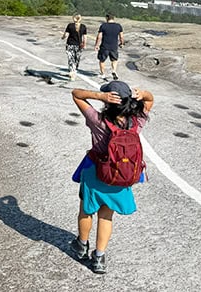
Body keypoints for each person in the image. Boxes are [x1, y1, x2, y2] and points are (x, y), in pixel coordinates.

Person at [70, 81, 154, 274]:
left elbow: (76, 94)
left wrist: (98, 96)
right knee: (106, 216)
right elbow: (150, 99)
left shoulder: (97, 119)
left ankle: (82, 245)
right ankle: (99, 258)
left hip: (96, 172)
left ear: (109, 101)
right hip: (120, 176)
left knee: (86, 210)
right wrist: (143, 94)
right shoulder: (137, 121)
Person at [94, 14, 124, 81]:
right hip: (114, 46)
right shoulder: (118, 26)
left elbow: (99, 36)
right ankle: (114, 71)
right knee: (114, 60)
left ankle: (103, 74)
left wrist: (97, 45)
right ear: (113, 18)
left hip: (104, 46)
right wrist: (122, 43)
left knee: (102, 60)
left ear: (107, 18)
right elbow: (121, 36)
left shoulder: (103, 26)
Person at [61, 14, 87, 80]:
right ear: (80, 19)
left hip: (70, 44)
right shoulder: (83, 26)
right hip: (79, 45)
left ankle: (72, 71)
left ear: (73, 19)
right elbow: (85, 37)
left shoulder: (70, 25)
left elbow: (66, 35)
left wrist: (63, 37)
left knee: (70, 59)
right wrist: (84, 44)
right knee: (76, 59)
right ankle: (75, 70)